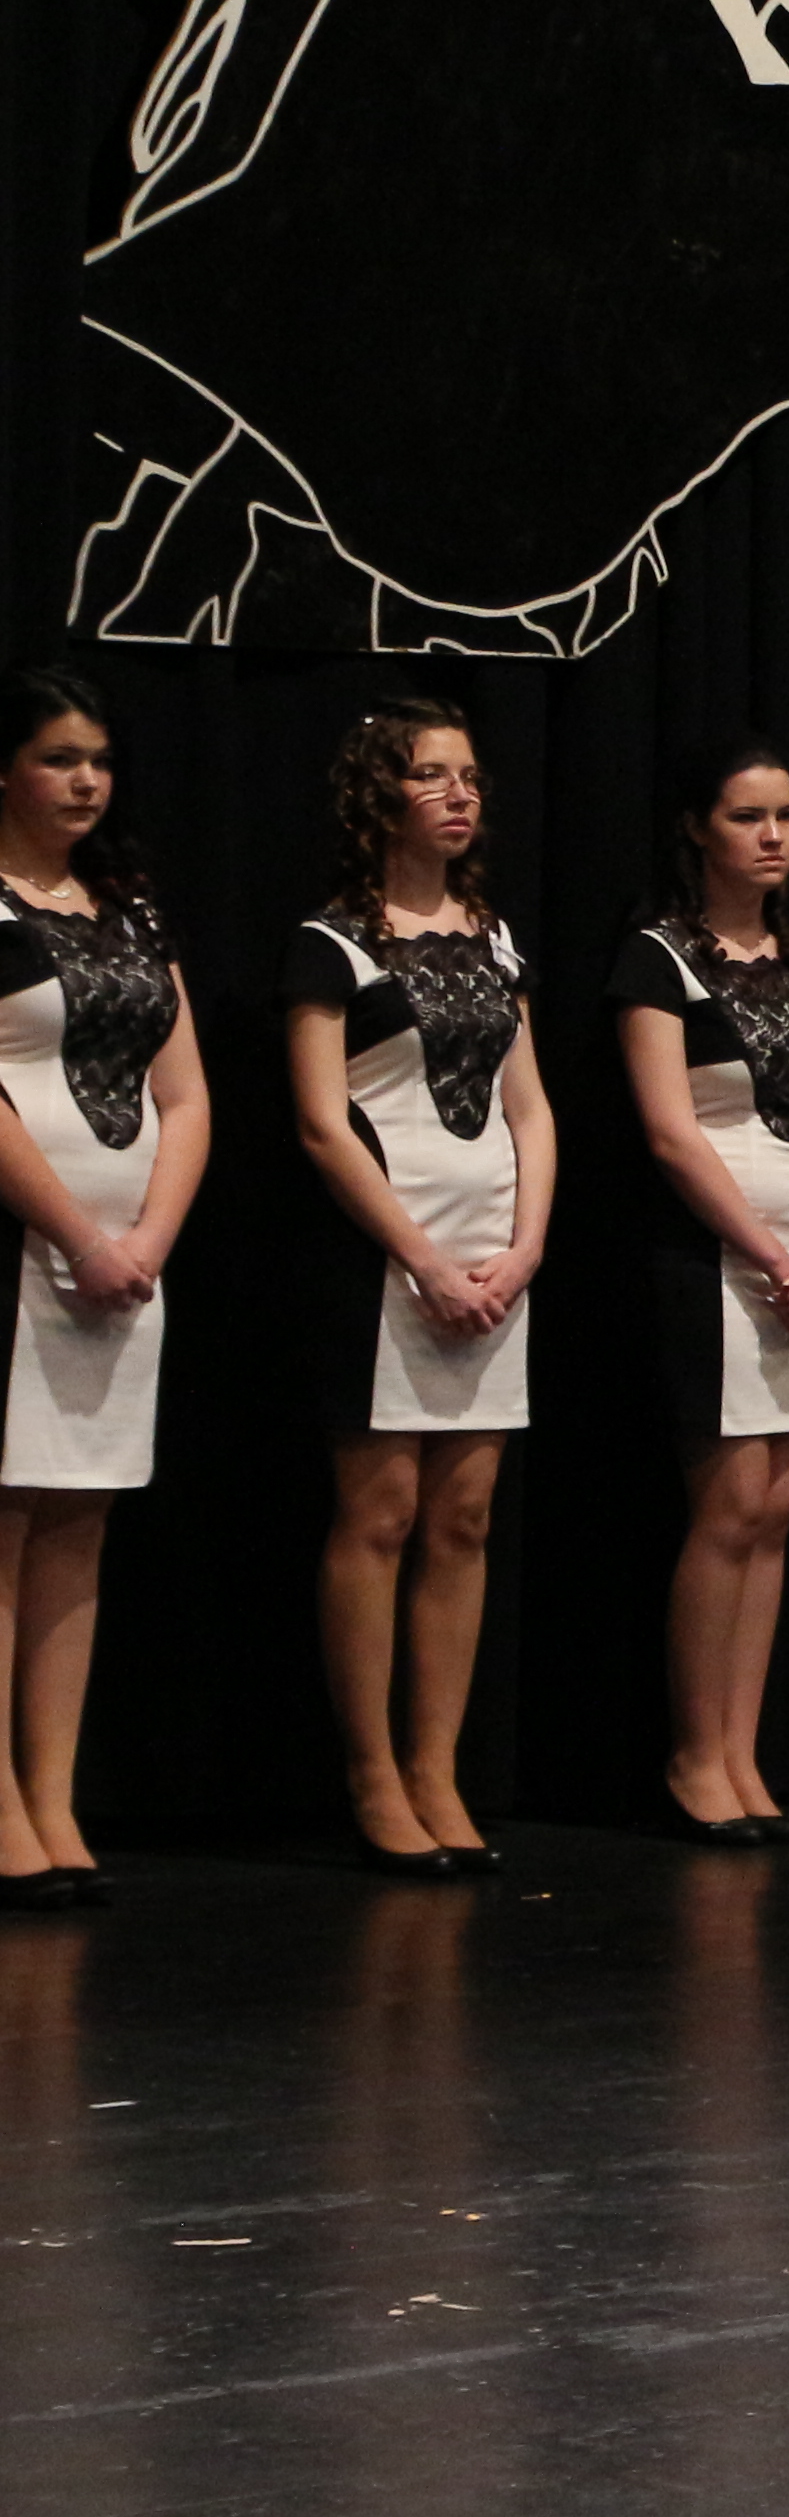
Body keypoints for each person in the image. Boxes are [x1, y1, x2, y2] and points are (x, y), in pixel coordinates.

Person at [284, 697, 553, 1878]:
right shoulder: (333, 941)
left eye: (471, 778)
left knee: (464, 1517)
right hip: (384, 1259)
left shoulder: (493, 937)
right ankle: (372, 1773)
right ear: (379, 795)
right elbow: (320, 1121)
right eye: (433, 775)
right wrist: (424, 1259)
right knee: (383, 1513)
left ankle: (438, 1766)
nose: (459, 795)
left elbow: (530, 1107)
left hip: (493, 1262)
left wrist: (525, 1247)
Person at [611, 740, 789, 1846]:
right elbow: (671, 1133)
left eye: (786, 816)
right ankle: (693, 1756)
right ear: (696, 829)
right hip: (713, 1261)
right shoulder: (658, 958)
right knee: (726, 1509)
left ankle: (743, 1752)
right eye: (748, 816)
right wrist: (767, 1250)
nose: (772, 836)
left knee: (775, 1511)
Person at [0, 674, 208, 1908]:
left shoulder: (130, 910)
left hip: (125, 1266)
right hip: (30, 1246)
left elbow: (185, 1093)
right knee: (4, 1524)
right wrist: (80, 1232)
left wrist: (148, 1238)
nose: (85, 781)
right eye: (58, 758)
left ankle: (52, 1794)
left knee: (77, 1525)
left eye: (100, 761)